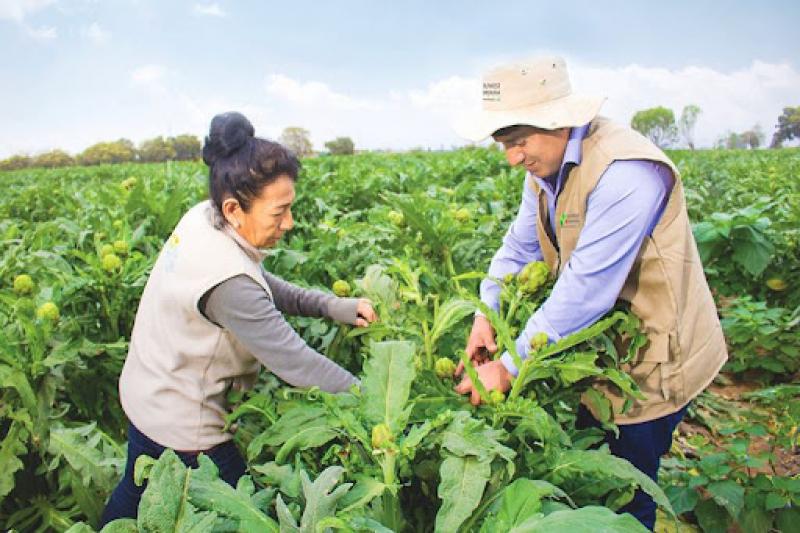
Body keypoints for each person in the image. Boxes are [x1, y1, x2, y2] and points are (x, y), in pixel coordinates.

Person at [452, 57, 727, 530]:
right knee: (595, 479)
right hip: (604, 355)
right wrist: (486, 312)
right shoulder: (544, 168)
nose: (512, 158)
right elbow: (519, 246)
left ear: (561, 121)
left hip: (656, 361)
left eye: (518, 143)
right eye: (504, 145)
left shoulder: (627, 173)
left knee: (624, 493)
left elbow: (585, 291)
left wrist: (509, 366)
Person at [100, 111, 377, 525]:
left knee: (134, 495)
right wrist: (378, 405)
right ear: (235, 209)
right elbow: (297, 362)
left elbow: (257, 282)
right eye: (279, 212)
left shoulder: (203, 218)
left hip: (149, 392)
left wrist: (329, 306)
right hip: (185, 424)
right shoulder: (229, 284)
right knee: (246, 515)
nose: (289, 222)